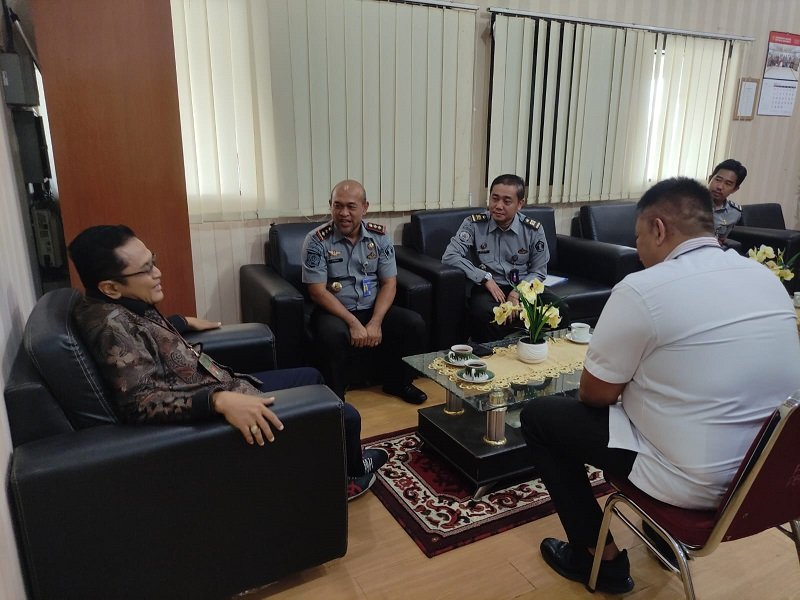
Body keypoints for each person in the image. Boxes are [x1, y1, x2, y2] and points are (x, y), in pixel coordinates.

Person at [519, 177, 800, 593]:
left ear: (658, 228)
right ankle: (661, 542)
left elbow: (595, 394)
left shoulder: (643, 288)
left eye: (637, 239)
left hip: (696, 484)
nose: (638, 251)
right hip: (772, 477)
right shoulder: (764, 278)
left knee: (540, 417)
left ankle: (600, 560)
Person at [68, 224, 387, 501]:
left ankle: (333, 456)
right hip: (217, 410)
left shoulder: (118, 305)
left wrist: (179, 322)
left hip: (219, 384)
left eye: (153, 261)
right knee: (346, 414)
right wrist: (217, 401)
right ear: (110, 287)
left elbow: (143, 340)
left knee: (312, 375)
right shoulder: (111, 329)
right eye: (146, 269)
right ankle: (350, 478)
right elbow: (139, 403)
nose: (157, 272)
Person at [301, 179, 428, 404]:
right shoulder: (317, 240)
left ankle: (398, 383)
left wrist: (376, 322)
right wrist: (353, 323)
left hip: (371, 307)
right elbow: (317, 291)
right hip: (335, 311)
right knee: (332, 335)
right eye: (337, 205)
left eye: (351, 206)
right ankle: (335, 399)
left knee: (413, 323)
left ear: (364, 207)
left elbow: (389, 283)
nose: (344, 213)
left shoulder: (379, 237)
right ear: (330, 205)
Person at [442, 173, 557, 342]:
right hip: (489, 288)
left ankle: (543, 354)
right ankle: (493, 355)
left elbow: (539, 271)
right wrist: (484, 278)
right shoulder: (474, 224)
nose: (498, 206)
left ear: (520, 204)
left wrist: (517, 293)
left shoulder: (533, 229)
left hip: (524, 286)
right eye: (494, 199)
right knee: (482, 313)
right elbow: (450, 256)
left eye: (507, 201)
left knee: (559, 309)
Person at [708, 158, 746, 244]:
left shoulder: (734, 213)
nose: (720, 187)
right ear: (710, 179)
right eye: (718, 180)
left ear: (735, 189)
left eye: (728, 184)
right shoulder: (688, 203)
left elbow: (722, 241)